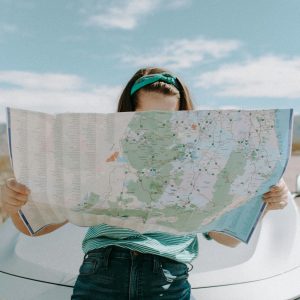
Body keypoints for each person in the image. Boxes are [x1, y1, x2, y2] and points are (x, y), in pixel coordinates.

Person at [1, 67, 290, 300]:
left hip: (167, 280)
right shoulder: (100, 157)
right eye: (146, 119)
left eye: (167, 119)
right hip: (101, 272)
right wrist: (13, 204)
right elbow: (36, 228)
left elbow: (227, 239)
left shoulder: (203, 163)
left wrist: (262, 204)